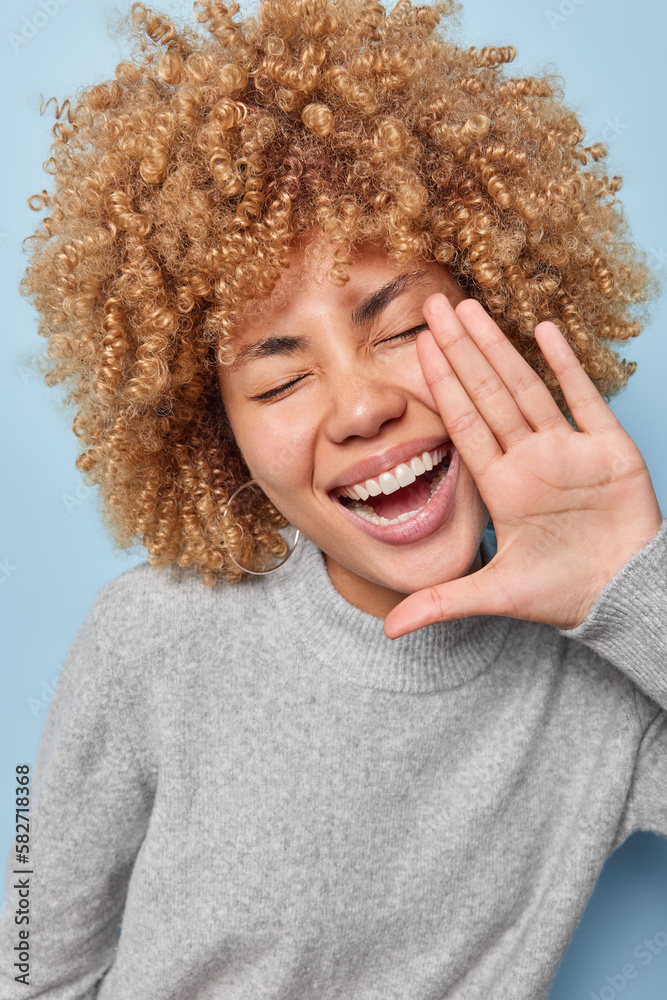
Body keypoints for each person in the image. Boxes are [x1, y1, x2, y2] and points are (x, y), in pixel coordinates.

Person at [1, 0, 665, 997]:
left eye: (399, 327)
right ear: (215, 435)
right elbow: (24, 951)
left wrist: (634, 581)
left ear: (506, 315)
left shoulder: (602, 685)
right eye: (276, 381)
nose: (359, 406)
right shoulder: (147, 637)